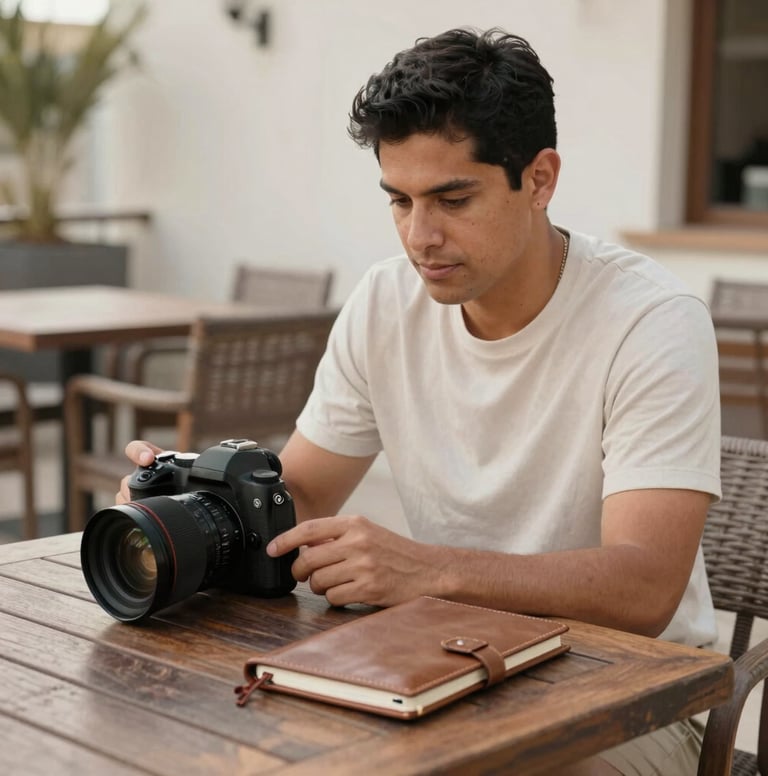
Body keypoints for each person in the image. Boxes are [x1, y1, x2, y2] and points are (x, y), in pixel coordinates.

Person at [121, 28, 720, 775]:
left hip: (632, 689)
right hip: (438, 661)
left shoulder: (650, 320)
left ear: (539, 179)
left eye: (452, 198)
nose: (419, 236)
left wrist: (427, 571)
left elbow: (644, 586)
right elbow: (301, 492)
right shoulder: (385, 301)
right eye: (398, 200)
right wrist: (182, 510)